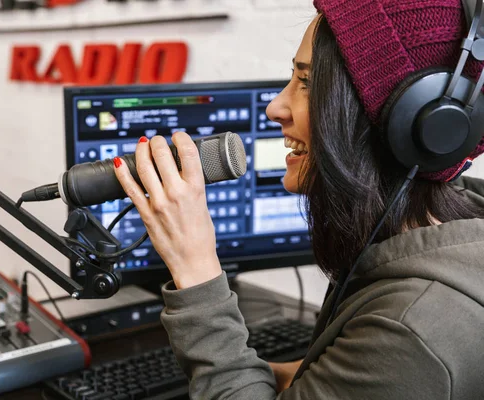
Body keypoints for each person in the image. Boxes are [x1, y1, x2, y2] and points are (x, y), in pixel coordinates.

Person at [113, 0, 484, 398]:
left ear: (412, 122)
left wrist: (195, 266)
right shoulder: (435, 237)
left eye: (307, 84)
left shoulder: (411, 326)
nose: (276, 107)